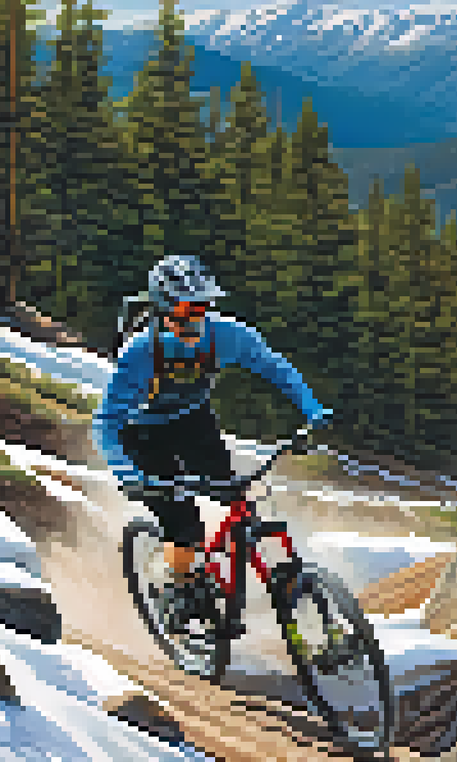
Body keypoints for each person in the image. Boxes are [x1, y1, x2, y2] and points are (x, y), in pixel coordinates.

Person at [91, 254, 332, 632]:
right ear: (163, 309)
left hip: (192, 421)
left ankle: (265, 577)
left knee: (235, 497)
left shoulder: (226, 335)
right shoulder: (140, 352)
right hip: (142, 433)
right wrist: (128, 474)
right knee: (183, 519)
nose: (196, 316)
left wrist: (312, 408)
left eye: (203, 305)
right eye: (187, 307)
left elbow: (275, 367)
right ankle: (180, 591)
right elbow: (107, 423)